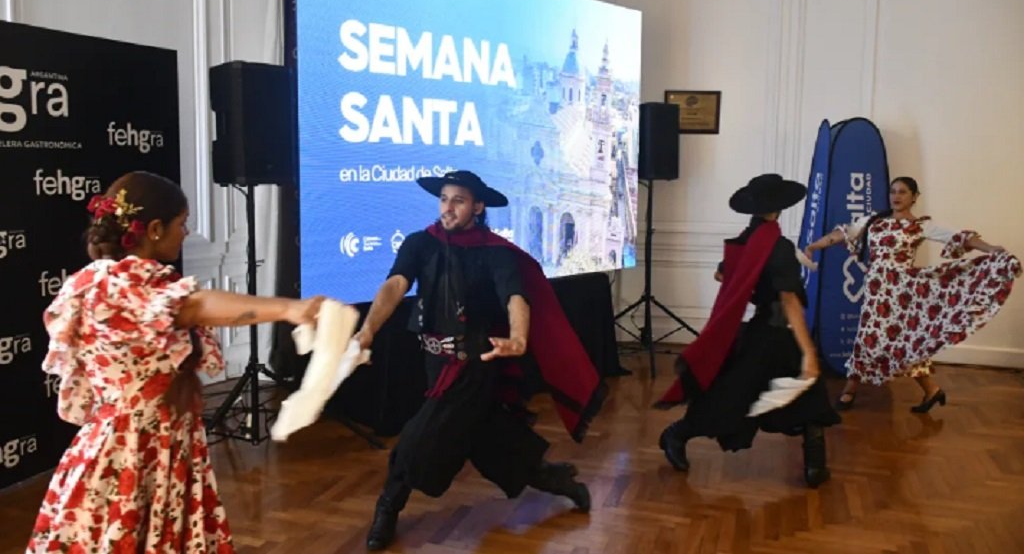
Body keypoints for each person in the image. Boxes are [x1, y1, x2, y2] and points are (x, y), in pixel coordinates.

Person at [26, 172, 325, 554]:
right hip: (133, 449)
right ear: (153, 229)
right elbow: (195, 306)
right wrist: (289, 308)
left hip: (164, 444)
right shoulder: (114, 286)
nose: (185, 233)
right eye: (181, 224)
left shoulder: (130, 283)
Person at [354, 170, 606, 551]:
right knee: (493, 443)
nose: (448, 208)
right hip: (434, 364)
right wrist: (368, 330)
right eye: (443, 199)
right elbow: (395, 284)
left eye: (458, 200)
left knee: (417, 442)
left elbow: (515, 297)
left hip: (475, 366)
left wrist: (519, 337)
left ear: (478, 206)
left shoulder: (495, 252)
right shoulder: (421, 243)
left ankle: (387, 510)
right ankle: (559, 482)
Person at [658, 174, 840, 488]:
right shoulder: (778, 247)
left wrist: (750, 284)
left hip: (760, 332)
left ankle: (815, 466)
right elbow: (790, 301)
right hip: (778, 335)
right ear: (779, 208)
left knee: (799, 397)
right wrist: (809, 351)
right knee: (735, 399)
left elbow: (720, 274)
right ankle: (676, 434)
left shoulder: (747, 241)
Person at [803, 176, 1020, 412]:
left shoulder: (921, 225)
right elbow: (843, 234)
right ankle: (929, 391)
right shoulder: (874, 221)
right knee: (869, 337)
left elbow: (959, 237)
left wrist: (990, 249)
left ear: (914, 197)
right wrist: (815, 246)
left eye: (903, 192)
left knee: (903, 343)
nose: (896, 196)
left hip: (902, 293)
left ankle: (856, 390)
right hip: (877, 290)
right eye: (893, 191)